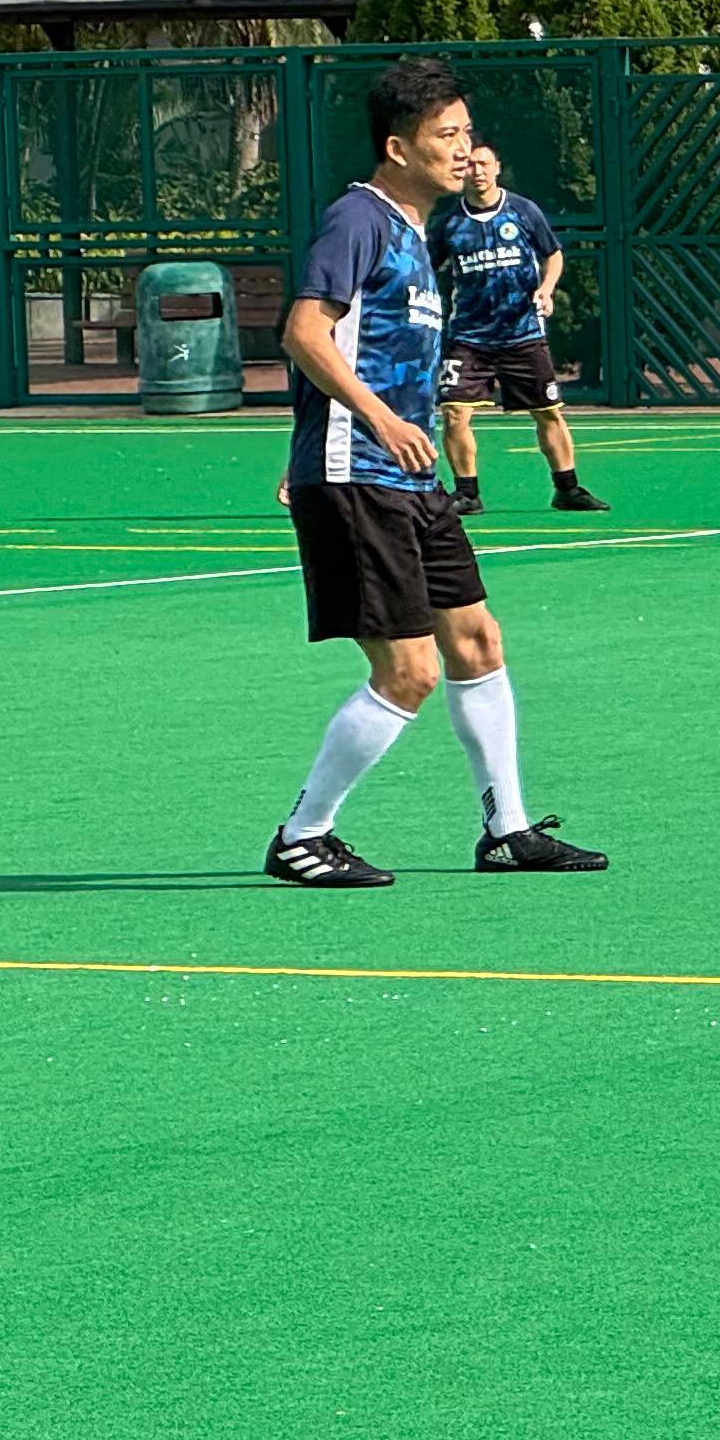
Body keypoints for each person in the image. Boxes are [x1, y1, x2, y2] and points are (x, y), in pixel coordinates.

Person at [266, 58, 607, 887]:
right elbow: (305, 333)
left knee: (477, 640)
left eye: (466, 133)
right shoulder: (359, 218)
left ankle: (508, 830)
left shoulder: (416, 232)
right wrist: (377, 422)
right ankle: (303, 836)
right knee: (409, 670)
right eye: (446, 135)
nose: (463, 149)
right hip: (359, 474)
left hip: (411, 481)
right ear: (398, 147)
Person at [429, 144, 607, 517]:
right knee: (454, 411)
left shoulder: (523, 211)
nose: (477, 171)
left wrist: (546, 288)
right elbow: (427, 267)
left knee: (548, 412)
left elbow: (553, 254)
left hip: (522, 333)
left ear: (497, 167)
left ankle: (567, 488)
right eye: (470, 165)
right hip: (469, 337)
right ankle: (467, 493)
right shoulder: (448, 222)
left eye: (484, 163)